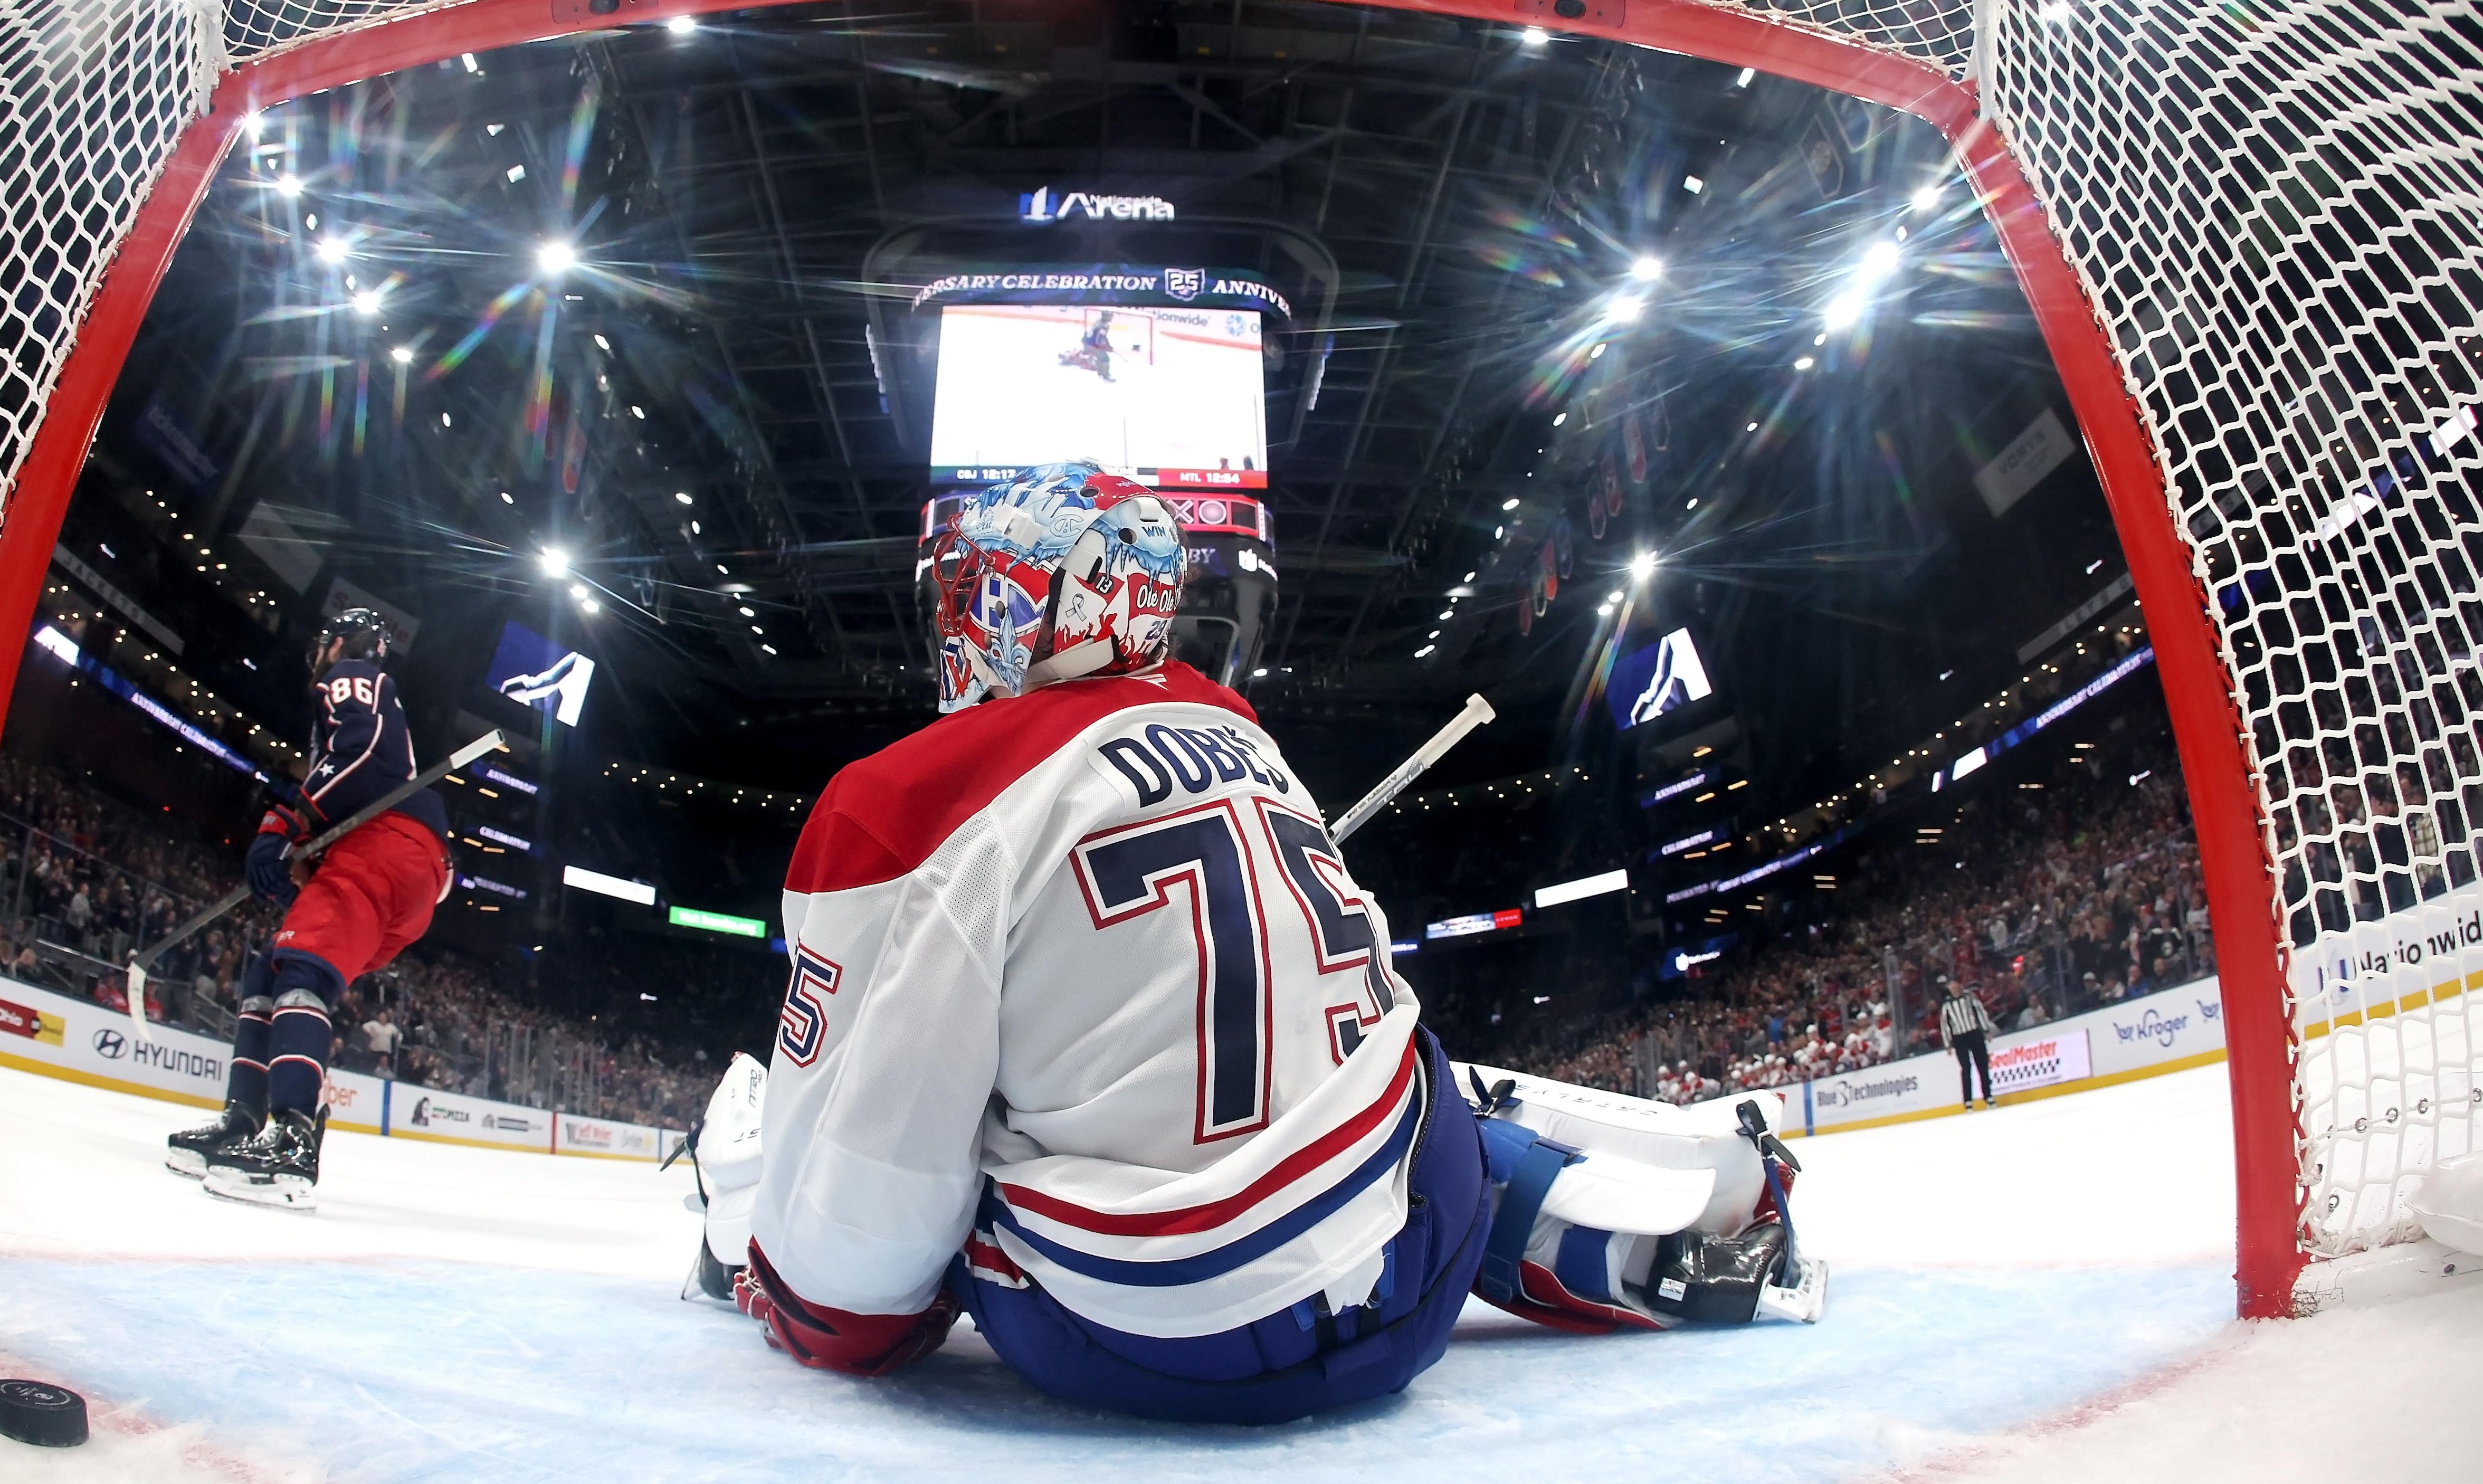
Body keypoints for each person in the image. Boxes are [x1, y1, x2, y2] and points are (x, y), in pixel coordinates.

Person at [695, 464, 1823, 1425]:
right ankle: (1641, 1216)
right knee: (1398, 1082)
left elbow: (875, 1194)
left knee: (941, 1141)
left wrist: (804, 1296)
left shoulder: (905, 799)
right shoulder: (1241, 732)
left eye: (965, 587)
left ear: (1017, 602)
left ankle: (731, 1204)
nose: (949, 614)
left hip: (1170, 1334)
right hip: (1416, 1276)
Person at [165, 608, 453, 1206]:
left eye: (326, 643)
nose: (320, 654)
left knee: (301, 969)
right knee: (272, 969)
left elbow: (359, 746)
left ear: (345, 642)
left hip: (389, 845)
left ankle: (292, 1139)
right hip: (400, 867)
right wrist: (308, 855)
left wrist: (287, 819)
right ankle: (244, 1121)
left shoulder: (351, 671)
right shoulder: (362, 692)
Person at [1939, 976, 2000, 1111]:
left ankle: (1988, 1096)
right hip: (1959, 1038)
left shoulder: (1969, 997)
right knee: (1966, 1069)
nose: (1955, 989)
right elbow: (1945, 1025)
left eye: (1956, 986)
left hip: (1974, 1033)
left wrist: (1986, 1031)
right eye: (1952, 988)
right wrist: (1948, 1043)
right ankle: (1968, 1101)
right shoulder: (1947, 1004)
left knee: (1982, 1066)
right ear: (1949, 989)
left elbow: (1980, 1013)